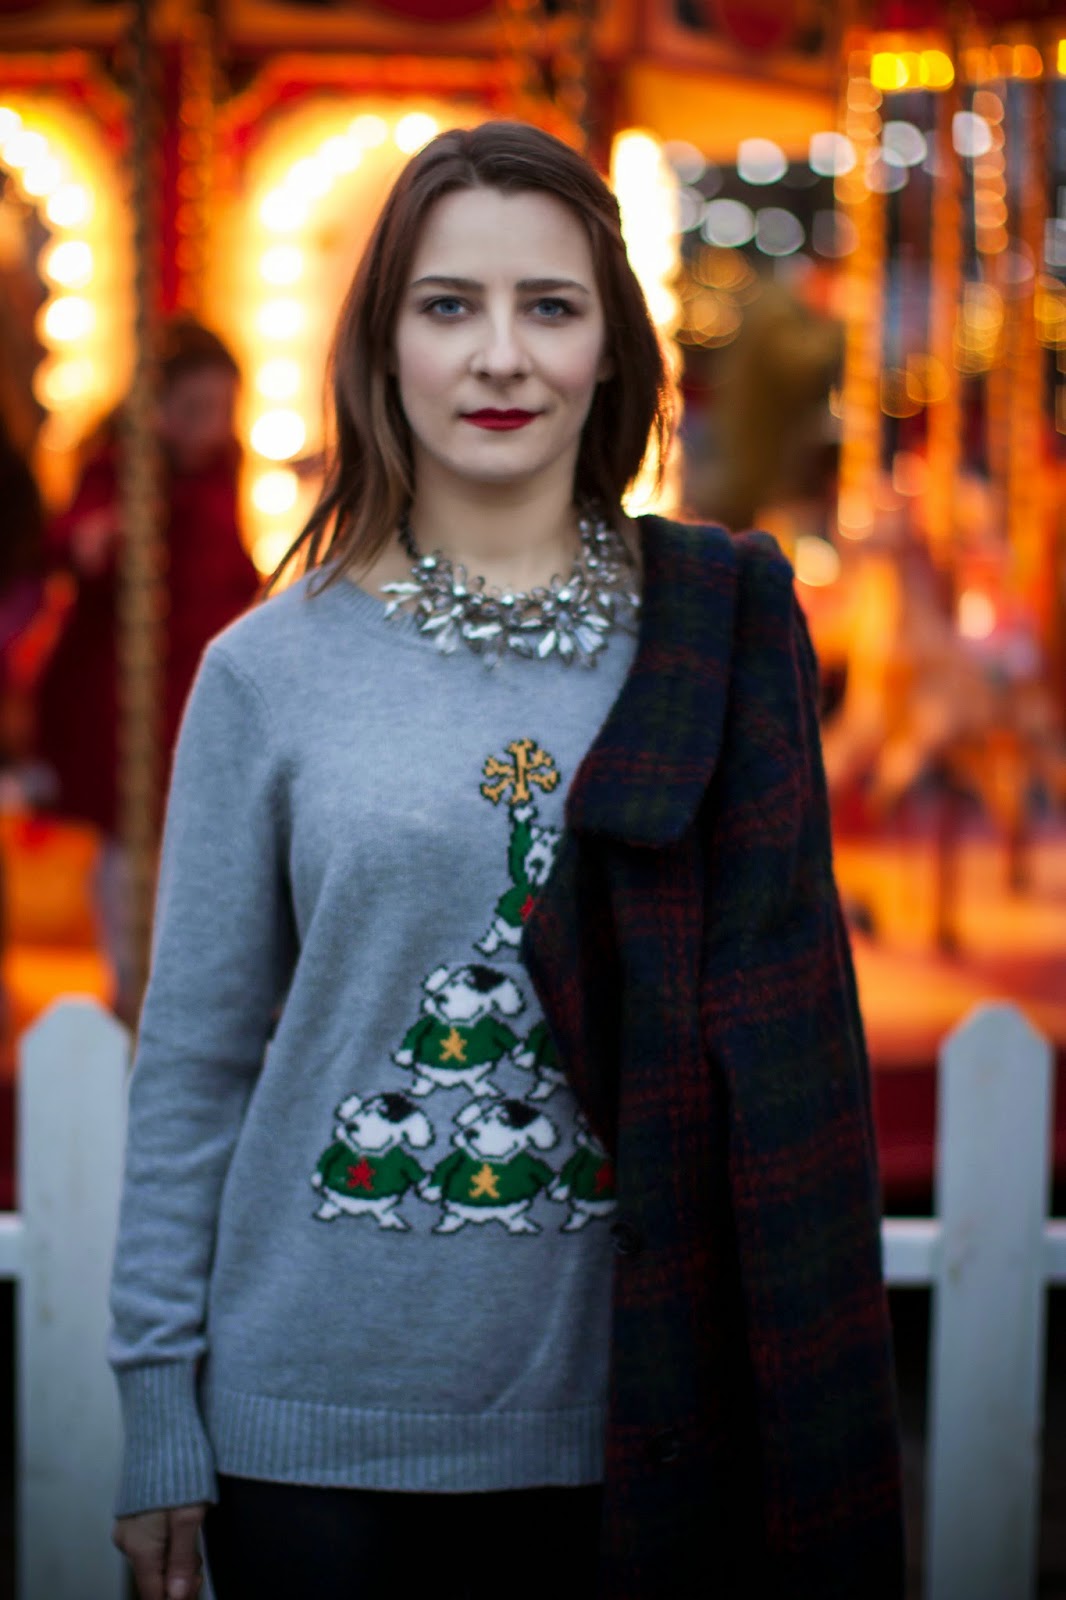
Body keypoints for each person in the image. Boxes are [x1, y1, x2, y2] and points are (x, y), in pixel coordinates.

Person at [108, 122, 904, 1600]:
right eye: (447, 305)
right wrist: (159, 1405)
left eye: (548, 305)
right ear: (382, 345)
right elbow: (196, 1064)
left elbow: (795, 1044)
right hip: (314, 1429)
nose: (499, 356)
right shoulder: (266, 674)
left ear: (609, 348)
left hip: (635, 1419)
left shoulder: (710, 643)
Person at [34, 317, 261, 1018]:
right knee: (127, 836)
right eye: (193, 411)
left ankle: (185, 973)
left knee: (190, 835)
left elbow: (230, 565)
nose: (209, 428)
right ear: (155, 409)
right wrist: (95, 541)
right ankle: (130, 980)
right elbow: (74, 536)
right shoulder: (126, 467)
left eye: (221, 411)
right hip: (127, 690)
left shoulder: (220, 472)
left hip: (193, 681)